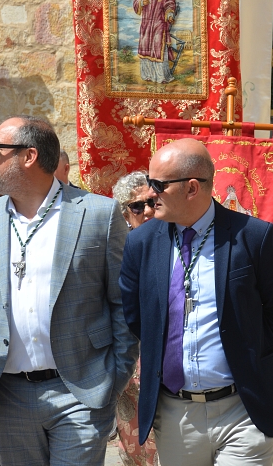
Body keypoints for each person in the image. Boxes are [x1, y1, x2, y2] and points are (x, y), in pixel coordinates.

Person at [0, 116, 137, 465]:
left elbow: (123, 305)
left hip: (80, 391)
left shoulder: (98, 214)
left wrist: (113, 379)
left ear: (29, 156)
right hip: (6, 395)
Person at [119, 138, 273, 465]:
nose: (149, 194)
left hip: (243, 408)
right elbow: (135, 317)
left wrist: (248, 350)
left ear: (192, 188)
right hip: (176, 414)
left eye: (158, 184)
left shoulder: (253, 236)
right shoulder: (140, 243)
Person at [111, 172, 157, 466]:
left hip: (168, 352)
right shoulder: (116, 248)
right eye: (138, 206)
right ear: (126, 213)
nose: (148, 211)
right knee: (136, 441)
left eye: (152, 202)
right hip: (131, 353)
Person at [133, 0, 176, 84]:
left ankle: (160, 76)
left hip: (159, 22)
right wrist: (141, 2)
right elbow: (136, 2)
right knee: (146, 46)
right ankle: (147, 74)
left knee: (158, 46)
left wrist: (170, 13)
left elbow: (170, 2)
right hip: (146, 24)